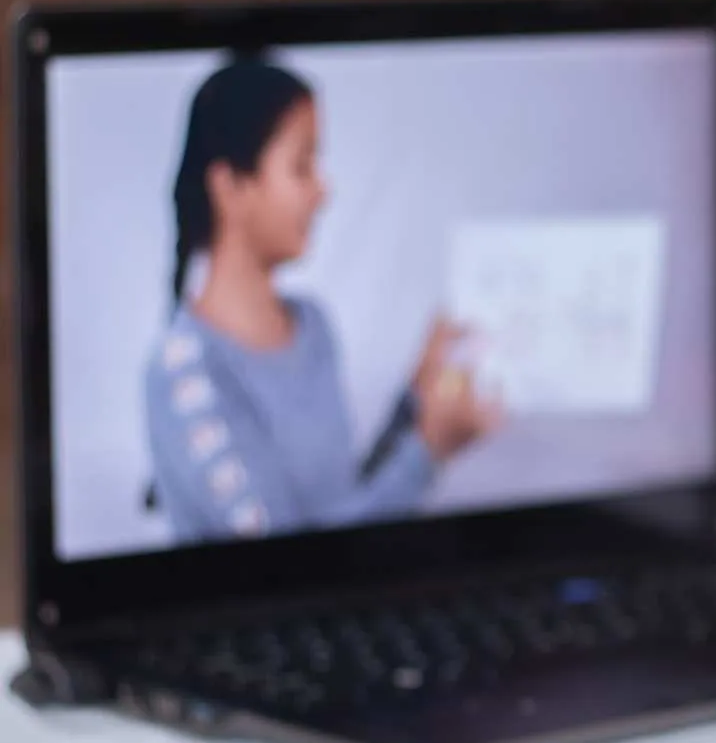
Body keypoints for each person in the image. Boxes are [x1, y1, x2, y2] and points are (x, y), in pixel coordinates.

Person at [144, 56, 497, 544]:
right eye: (301, 166)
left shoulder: (312, 324)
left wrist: (416, 398)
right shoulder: (182, 373)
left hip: (344, 611)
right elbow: (289, 563)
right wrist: (428, 451)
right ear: (231, 188)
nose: (323, 191)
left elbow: (341, 507)